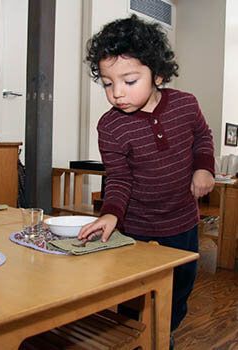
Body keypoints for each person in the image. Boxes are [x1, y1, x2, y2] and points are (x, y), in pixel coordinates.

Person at [78, 14, 215, 349]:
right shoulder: (110, 126)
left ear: (159, 73)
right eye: (108, 83)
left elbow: (203, 137)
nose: (117, 93)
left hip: (181, 219)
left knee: (181, 285)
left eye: (129, 80)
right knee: (131, 291)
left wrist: (204, 168)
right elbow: (120, 178)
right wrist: (111, 213)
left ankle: (162, 330)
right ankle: (138, 337)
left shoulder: (185, 105)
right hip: (136, 223)